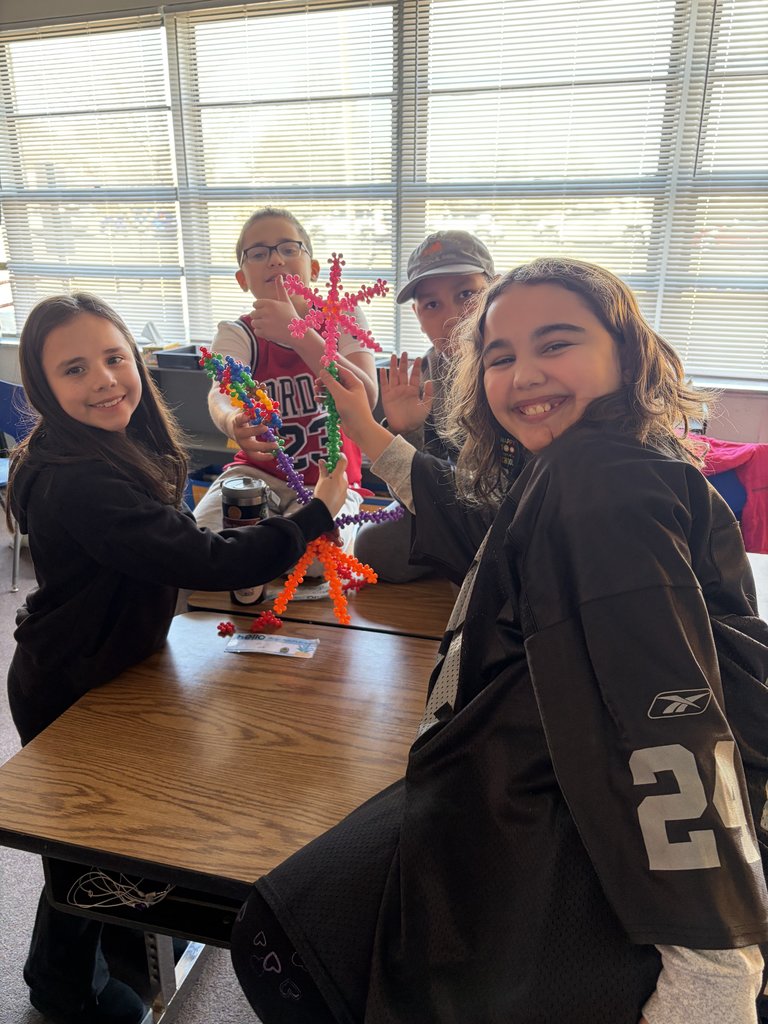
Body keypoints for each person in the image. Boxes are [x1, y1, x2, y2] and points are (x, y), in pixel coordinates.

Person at [230, 257, 768, 1024]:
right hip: (511, 771)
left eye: (556, 344)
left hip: (554, 801)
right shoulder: (582, 464)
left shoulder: (599, 483)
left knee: (291, 936)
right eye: (502, 355)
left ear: (625, 351)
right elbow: (489, 531)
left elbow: (669, 718)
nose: (524, 375)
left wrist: (714, 967)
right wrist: (371, 430)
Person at [6, 292, 349, 1024]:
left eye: (114, 357)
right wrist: (316, 512)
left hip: (115, 666)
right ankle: (59, 987)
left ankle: (120, 955)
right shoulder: (78, 478)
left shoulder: (114, 445)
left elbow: (166, 539)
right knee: (86, 854)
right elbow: (194, 556)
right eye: (74, 369)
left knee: (111, 840)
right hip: (69, 685)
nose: (104, 379)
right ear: (43, 386)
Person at [193, 206, 378, 601]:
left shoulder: (342, 315)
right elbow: (221, 391)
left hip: (329, 480)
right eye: (258, 252)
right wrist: (232, 421)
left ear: (311, 265)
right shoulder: (237, 332)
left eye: (288, 248)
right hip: (255, 475)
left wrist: (299, 335)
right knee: (202, 549)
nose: (275, 258)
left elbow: (368, 395)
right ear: (243, 278)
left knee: (314, 568)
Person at [354, 228, 495, 583]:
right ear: (418, 315)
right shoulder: (423, 380)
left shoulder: (513, 368)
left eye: (467, 294)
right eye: (432, 304)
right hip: (447, 502)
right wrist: (404, 430)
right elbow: (410, 497)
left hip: (505, 512)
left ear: (496, 294)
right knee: (373, 548)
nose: (453, 317)